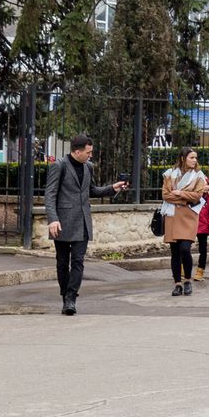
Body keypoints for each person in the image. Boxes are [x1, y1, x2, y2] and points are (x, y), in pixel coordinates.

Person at [44, 134, 127, 315]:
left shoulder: (88, 167)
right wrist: (53, 219)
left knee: (78, 261)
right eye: (88, 153)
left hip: (83, 220)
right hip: (62, 221)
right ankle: (65, 294)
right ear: (77, 151)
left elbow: (92, 191)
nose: (90, 156)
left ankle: (71, 298)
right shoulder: (59, 166)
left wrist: (113, 188)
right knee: (62, 262)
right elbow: (49, 195)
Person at [161, 148, 209, 298]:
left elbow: (197, 196)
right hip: (172, 215)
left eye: (196, 158)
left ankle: (187, 280)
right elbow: (166, 195)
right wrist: (185, 199)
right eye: (191, 157)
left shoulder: (198, 176)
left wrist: (180, 193)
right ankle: (177, 284)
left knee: (185, 248)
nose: (194, 160)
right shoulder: (170, 174)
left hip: (189, 216)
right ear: (183, 158)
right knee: (175, 251)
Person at [194, 182, 209, 282]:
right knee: (184, 248)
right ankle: (182, 270)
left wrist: (208, 223)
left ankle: (200, 271)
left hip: (203, 227)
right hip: (191, 225)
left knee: (202, 250)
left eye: (206, 183)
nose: (204, 186)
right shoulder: (193, 196)